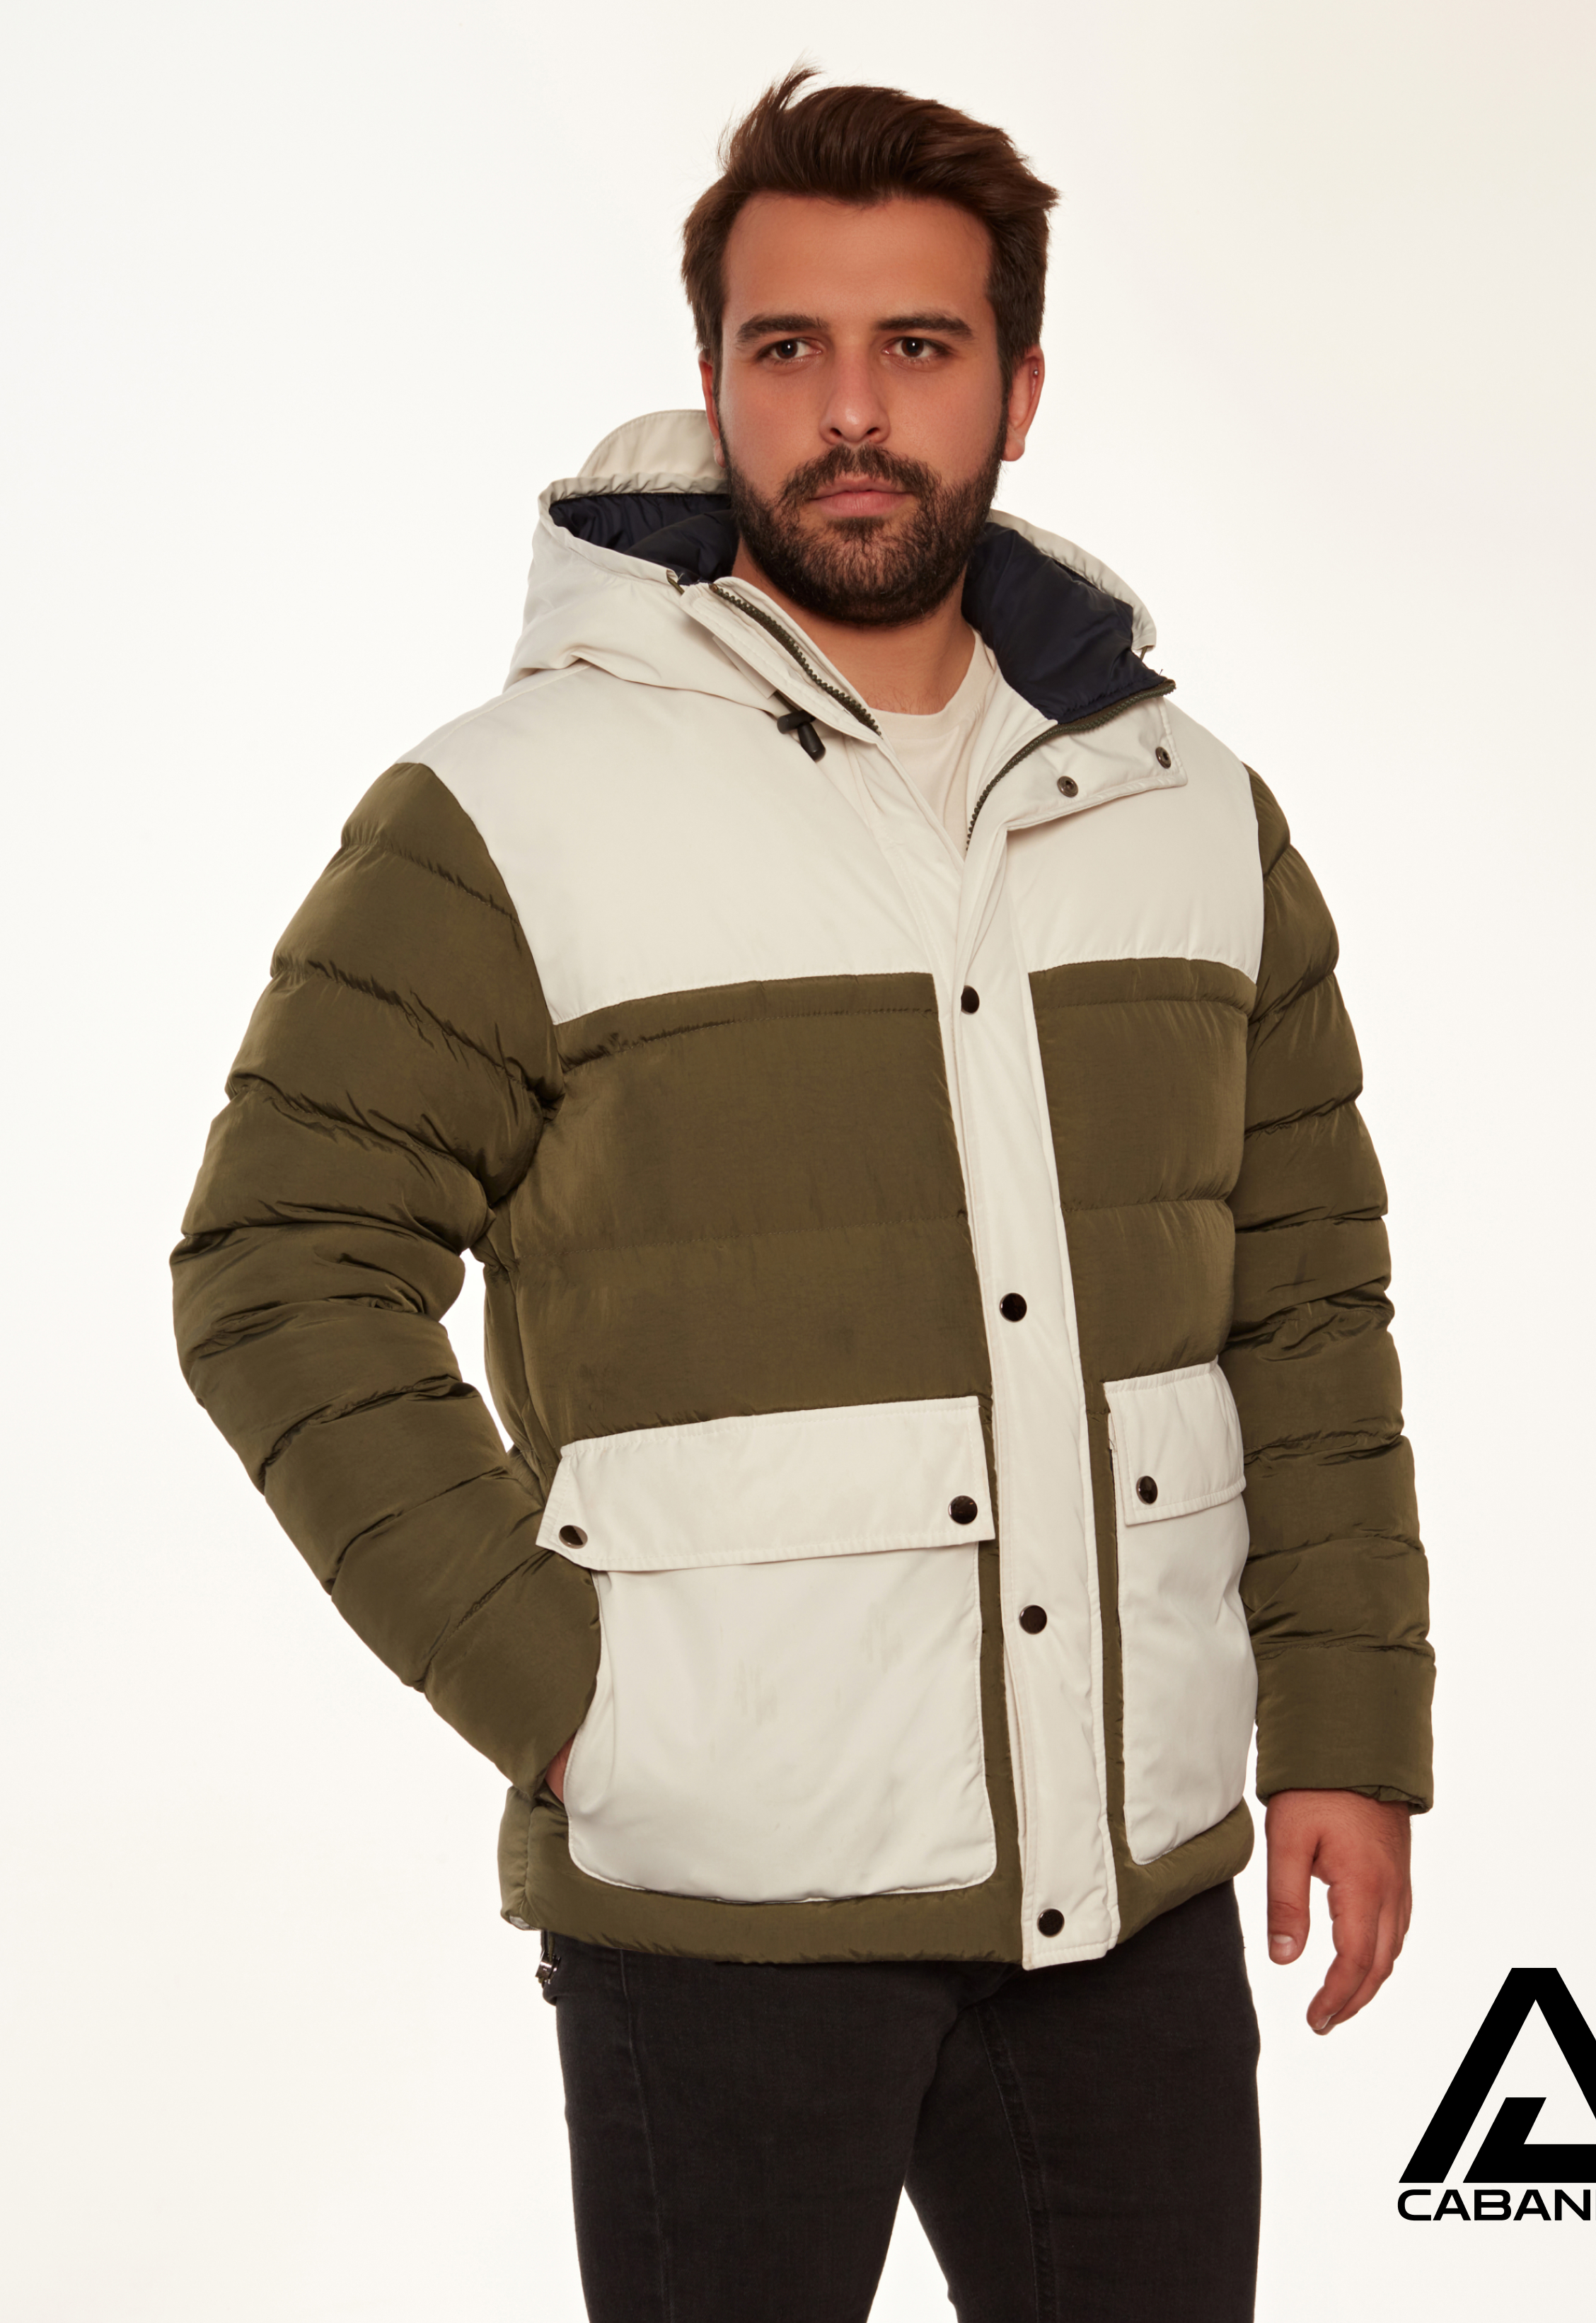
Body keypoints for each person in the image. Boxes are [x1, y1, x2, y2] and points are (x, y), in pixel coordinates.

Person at [173, 70, 1432, 2323]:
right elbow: (280, 1262)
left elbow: (1309, 1303)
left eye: (918, 347)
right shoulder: (512, 810)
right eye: (790, 349)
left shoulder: (1190, 813)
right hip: (720, 1894)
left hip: (1133, 1875)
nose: (852, 412)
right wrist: (572, 1696)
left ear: (1018, 388)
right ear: (717, 377)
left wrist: (1345, 1727)